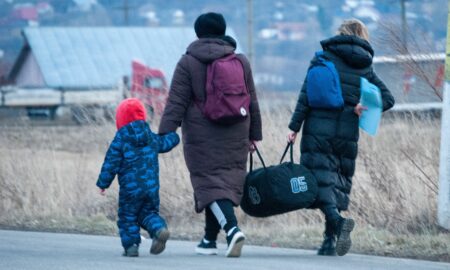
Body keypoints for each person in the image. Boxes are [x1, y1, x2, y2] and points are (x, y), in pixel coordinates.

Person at [287, 19, 395, 256]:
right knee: (334, 183)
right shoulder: (365, 66)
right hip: (347, 130)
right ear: (362, 36)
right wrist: (362, 107)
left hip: (318, 128)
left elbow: (305, 96)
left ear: (340, 34)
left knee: (318, 181)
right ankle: (328, 241)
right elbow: (388, 99)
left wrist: (294, 127)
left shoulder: (323, 58)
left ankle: (336, 223)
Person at [159, 12, 262, 257]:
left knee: (209, 183)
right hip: (237, 128)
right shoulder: (240, 60)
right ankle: (208, 240)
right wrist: (254, 134)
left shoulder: (188, 62)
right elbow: (253, 101)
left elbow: (176, 102)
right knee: (221, 183)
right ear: (222, 31)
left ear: (198, 33)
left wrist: (164, 134)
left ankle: (232, 229)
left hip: (202, 132)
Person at [96, 98, 180, 257]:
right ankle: (158, 229)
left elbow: (111, 162)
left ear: (120, 119)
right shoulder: (150, 137)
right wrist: (175, 137)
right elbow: (165, 142)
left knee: (127, 217)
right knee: (148, 213)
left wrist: (103, 183)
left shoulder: (120, 139)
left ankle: (131, 246)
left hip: (130, 190)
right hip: (151, 188)